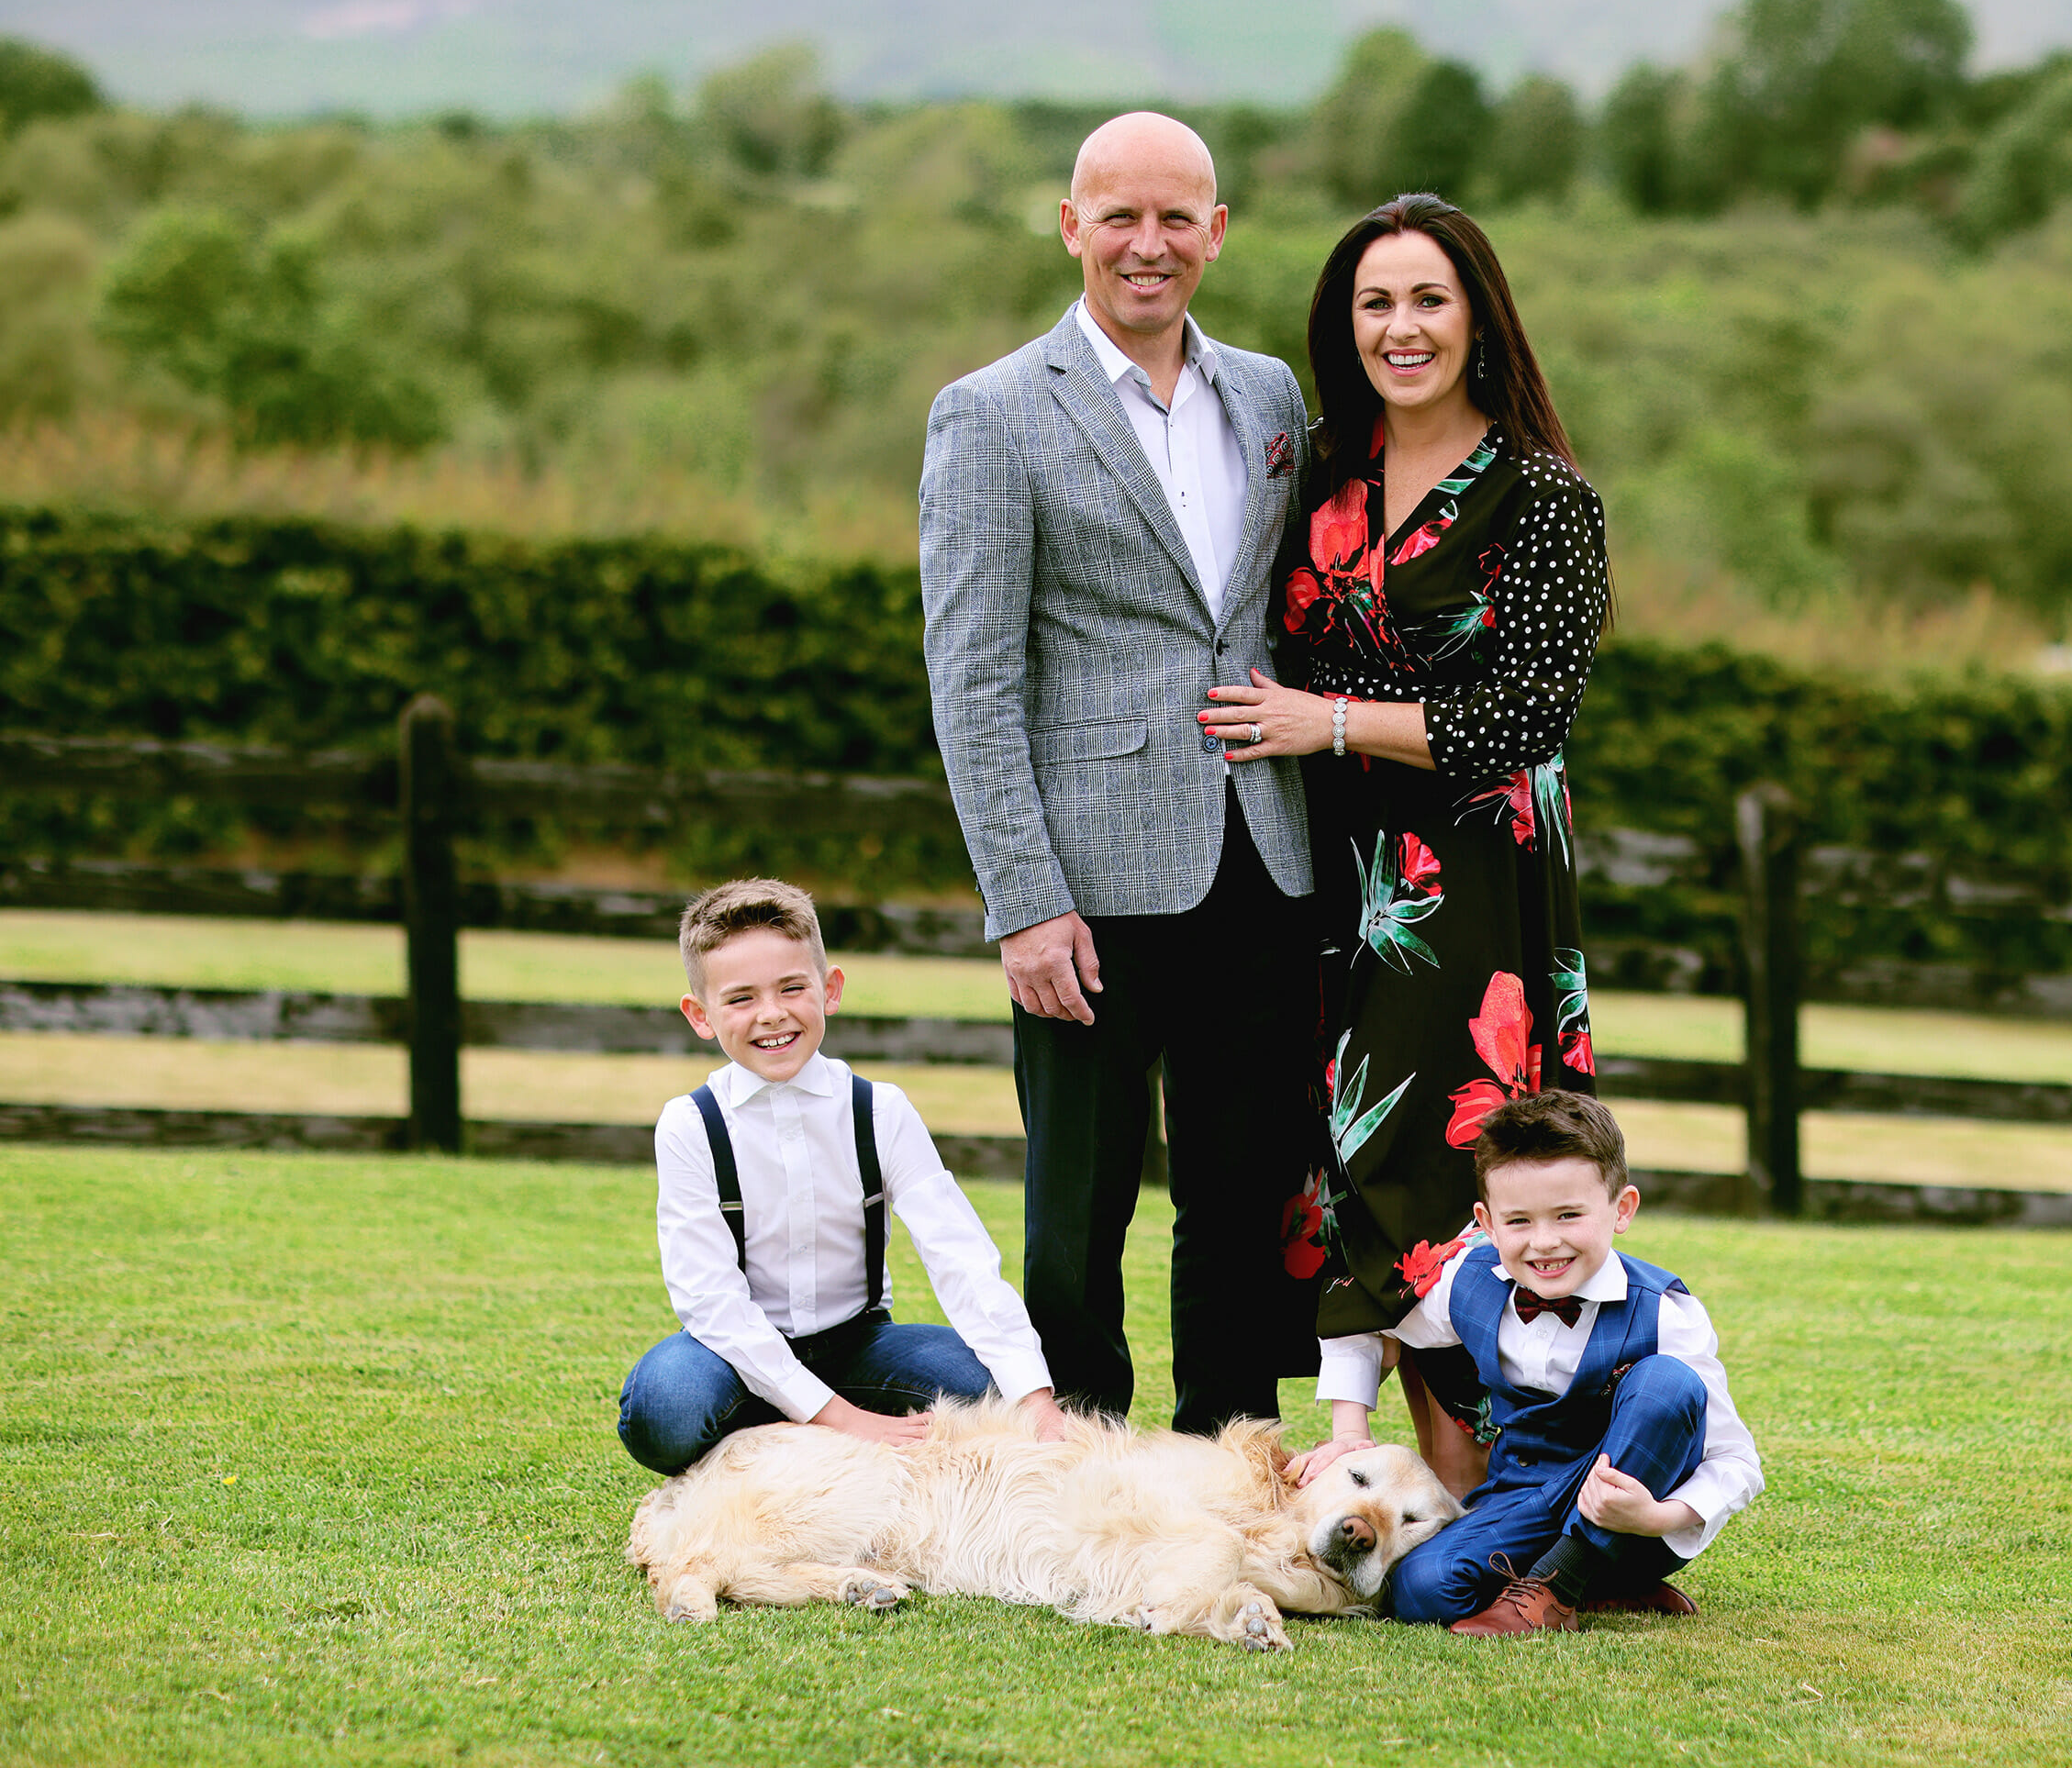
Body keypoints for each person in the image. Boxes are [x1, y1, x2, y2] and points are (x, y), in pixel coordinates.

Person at [919, 112, 1323, 1435]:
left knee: (1242, 1190)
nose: (1148, 245)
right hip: (1084, 883)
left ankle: (1230, 1453)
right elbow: (973, 680)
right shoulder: (989, 413)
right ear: (1070, 226)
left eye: (1175, 218)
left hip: (1261, 855)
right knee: (1077, 1208)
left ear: (1217, 231)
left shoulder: (1268, 395)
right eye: (1119, 217)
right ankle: (1074, 1459)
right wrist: (1024, 900)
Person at [1199, 192, 1610, 1496]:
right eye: (1375, 303)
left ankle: (1494, 1495)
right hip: (1321, 861)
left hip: (1466, 874)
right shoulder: (1319, 470)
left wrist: (1326, 720)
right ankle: (1393, 1489)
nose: (1402, 326)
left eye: (1429, 298)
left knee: (1439, 1158)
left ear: (1479, 317)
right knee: (1335, 1158)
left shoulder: (1542, 498)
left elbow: (1526, 717)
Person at [617, 879, 1063, 1475]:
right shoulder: (689, 1124)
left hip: (860, 1346)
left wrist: (1034, 1399)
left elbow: (959, 1255)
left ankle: (787, 1439)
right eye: (741, 998)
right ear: (701, 1016)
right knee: (666, 1408)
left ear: (830, 990)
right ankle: (806, 1428)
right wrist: (842, 1418)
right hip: (732, 1356)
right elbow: (710, 1301)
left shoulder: (880, 1110)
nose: (772, 1014)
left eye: (792, 988)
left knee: (985, 1385)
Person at [1298, 1091, 1764, 1635]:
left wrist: (1657, 1516)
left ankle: (1558, 1589)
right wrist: (1350, 1430)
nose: (1544, 1243)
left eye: (1569, 1215)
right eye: (1518, 1221)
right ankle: (1600, 1585)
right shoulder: (1471, 1283)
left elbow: (1736, 1461)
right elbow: (1361, 1308)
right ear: (1487, 1222)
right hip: (1522, 1500)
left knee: (1667, 1384)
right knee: (1421, 1588)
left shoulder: (1665, 1313)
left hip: (1629, 1506)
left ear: (1622, 1209)